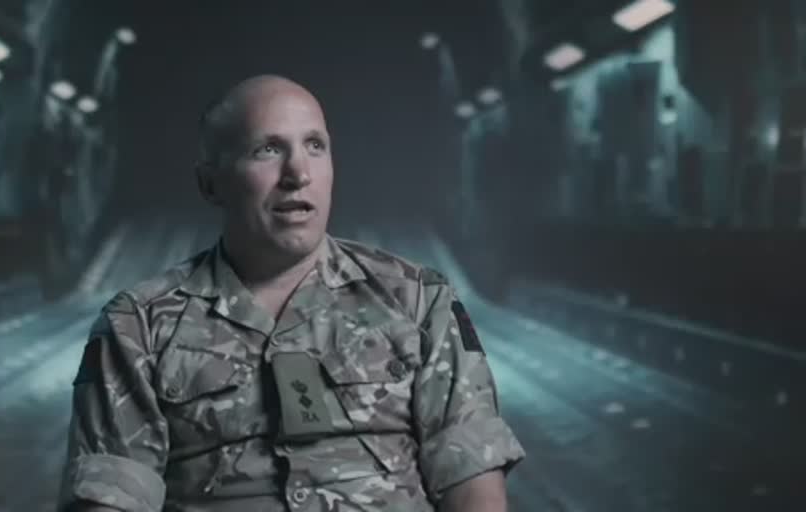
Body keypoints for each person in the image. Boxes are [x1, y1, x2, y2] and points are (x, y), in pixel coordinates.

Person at [58, 75, 525, 512]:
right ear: (210, 183)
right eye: (267, 150)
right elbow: (110, 496)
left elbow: (472, 478)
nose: (298, 172)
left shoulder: (419, 301)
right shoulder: (138, 326)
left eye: (315, 146)